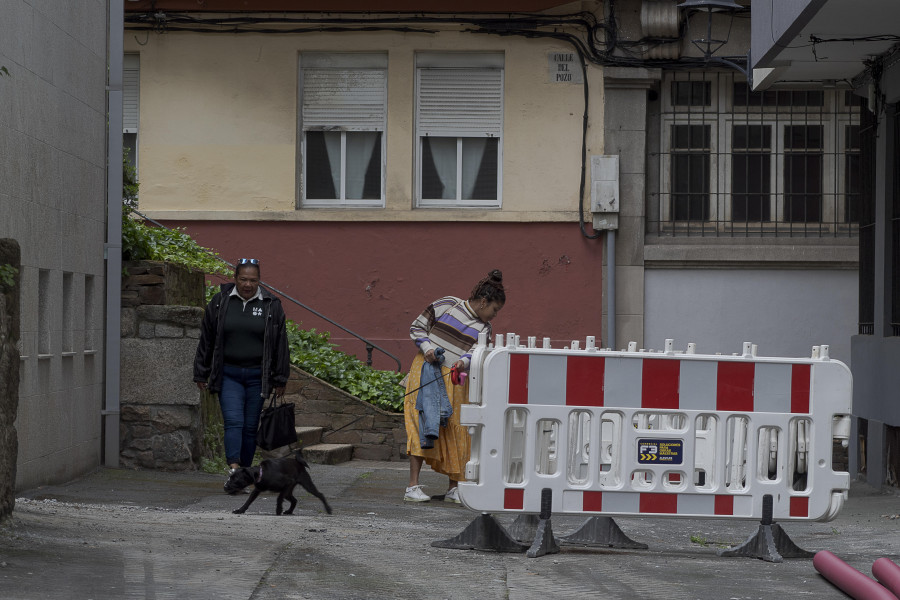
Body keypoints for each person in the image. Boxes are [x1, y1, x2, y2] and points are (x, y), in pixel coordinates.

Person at [403, 269, 506, 503]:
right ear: (483, 302)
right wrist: (428, 349)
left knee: (455, 429)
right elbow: (417, 327)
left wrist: (463, 362)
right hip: (425, 372)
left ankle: (453, 487)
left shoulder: (485, 329)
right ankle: (412, 486)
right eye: (494, 310)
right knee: (419, 423)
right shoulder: (447, 305)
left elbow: (476, 353)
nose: (494, 316)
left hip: (453, 378)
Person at [193, 258, 290, 476]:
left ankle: (245, 471)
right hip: (229, 375)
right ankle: (234, 468)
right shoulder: (220, 302)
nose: (248, 285)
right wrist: (201, 370)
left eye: (253, 280)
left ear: (259, 281)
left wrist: (280, 377)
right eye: (243, 279)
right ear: (235, 278)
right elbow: (207, 339)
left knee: (249, 427)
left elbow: (280, 343)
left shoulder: (271, 305)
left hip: (258, 377)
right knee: (234, 421)